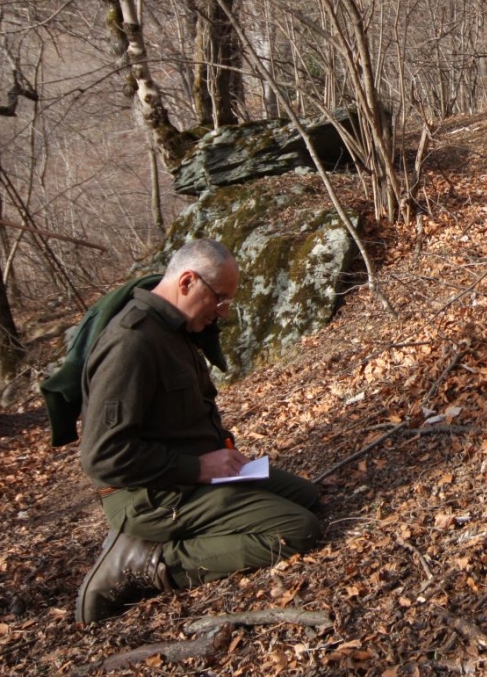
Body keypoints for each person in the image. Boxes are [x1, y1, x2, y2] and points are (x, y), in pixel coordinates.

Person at [76, 239, 323, 623]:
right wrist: (199, 467)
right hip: (150, 495)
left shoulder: (176, 328)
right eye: (219, 299)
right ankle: (144, 560)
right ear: (188, 281)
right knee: (297, 531)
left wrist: (218, 452)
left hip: (191, 477)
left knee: (307, 497)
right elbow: (103, 458)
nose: (222, 312)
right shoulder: (132, 341)